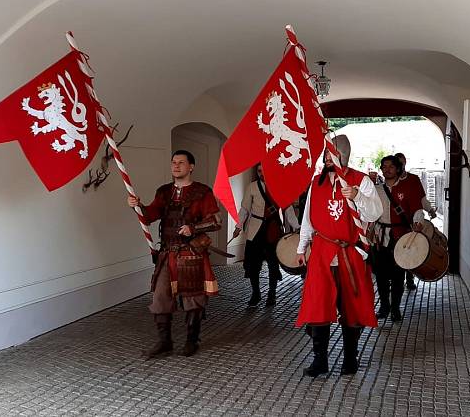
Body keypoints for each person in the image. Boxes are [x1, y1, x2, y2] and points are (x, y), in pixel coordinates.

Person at [295, 135, 383, 376]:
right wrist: (302, 247)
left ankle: (350, 359)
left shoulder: (360, 180)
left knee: (352, 307)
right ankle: (320, 360)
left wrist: (357, 196)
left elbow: (375, 213)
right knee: (318, 304)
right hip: (323, 252)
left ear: (342, 155)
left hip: (350, 252)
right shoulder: (317, 182)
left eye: (331, 154)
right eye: (325, 155)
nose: (326, 158)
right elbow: (308, 218)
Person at [127, 150, 222, 358]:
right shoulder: (164, 192)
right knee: (160, 297)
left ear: (191, 167)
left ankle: (191, 340)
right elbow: (150, 216)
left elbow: (216, 221)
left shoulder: (202, 192)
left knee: (193, 300)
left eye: (181, 162)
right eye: (173, 162)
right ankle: (165, 342)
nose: (176, 166)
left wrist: (193, 228)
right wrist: (138, 207)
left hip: (191, 254)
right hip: (167, 253)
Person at [233, 164, 300, 308]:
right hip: (255, 230)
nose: (261, 173)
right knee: (253, 265)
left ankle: (272, 294)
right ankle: (255, 294)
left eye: (264, 170)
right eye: (259, 171)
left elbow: (288, 211)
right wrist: (238, 226)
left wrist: (298, 228)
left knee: (273, 265)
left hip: (273, 229)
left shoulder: (280, 187)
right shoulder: (252, 187)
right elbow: (244, 209)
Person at [372, 155, 425, 322]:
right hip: (381, 238)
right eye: (384, 166)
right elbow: (370, 213)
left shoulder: (407, 187)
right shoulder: (377, 189)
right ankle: (384, 306)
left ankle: (395, 308)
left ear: (397, 169)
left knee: (397, 275)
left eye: (391, 166)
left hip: (401, 237)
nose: (387, 169)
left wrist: (418, 222)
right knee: (380, 275)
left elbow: (417, 209)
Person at [394, 152, 436, 290]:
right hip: (395, 224)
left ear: (405, 162)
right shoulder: (390, 181)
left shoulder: (414, 179)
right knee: (398, 250)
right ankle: (396, 279)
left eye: (401, 162)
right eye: (397, 163)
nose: (400, 166)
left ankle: (410, 277)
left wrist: (430, 210)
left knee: (412, 249)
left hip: (412, 222)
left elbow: (421, 199)